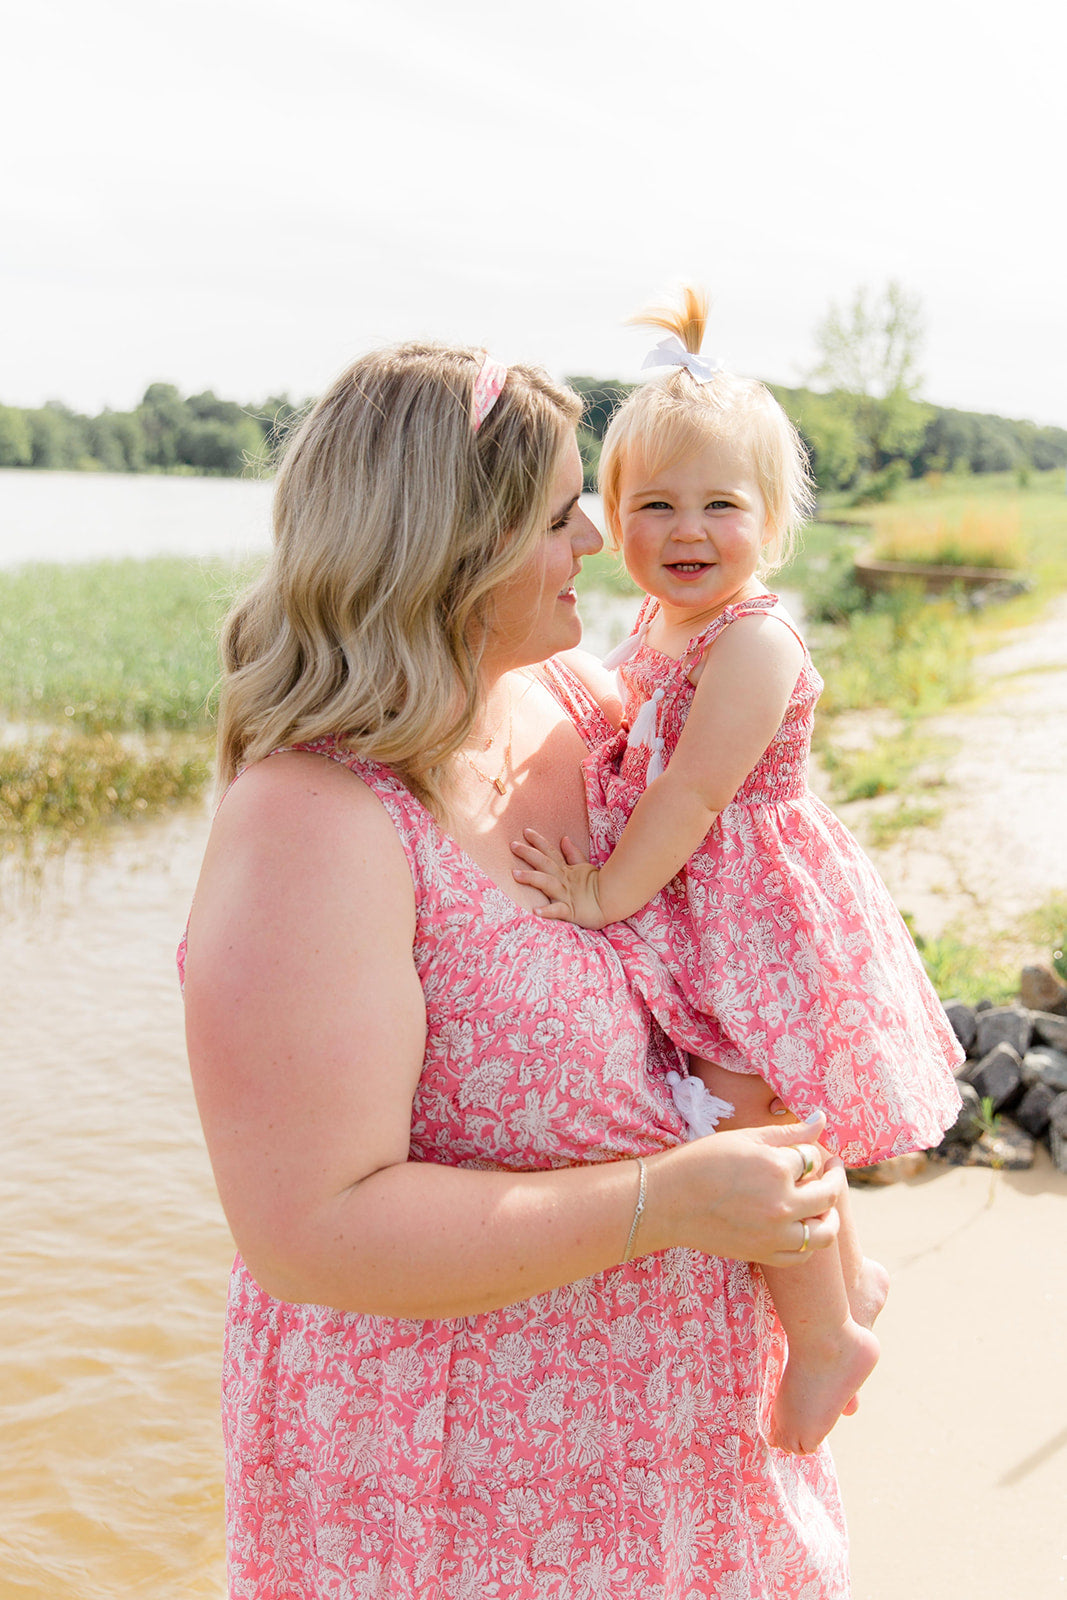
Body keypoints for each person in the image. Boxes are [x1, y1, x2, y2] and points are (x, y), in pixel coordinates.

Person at [181, 339, 854, 1599]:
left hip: (687, 1472)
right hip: (462, 1504)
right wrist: (667, 1200)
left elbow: (723, 943)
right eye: (557, 516)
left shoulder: (567, 692)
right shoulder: (313, 821)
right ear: (453, 545)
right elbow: (310, 1231)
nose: (598, 542)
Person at [512, 288, 964, 1457]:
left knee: (740, 1106)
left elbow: (692, 794)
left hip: (748, 905)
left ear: (771, 520)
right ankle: (849, 1282)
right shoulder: (655, 622)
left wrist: (606, 894)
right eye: (653, 504)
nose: (686, 528)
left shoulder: (752, 639)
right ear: (610, 516)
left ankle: (822, 1333)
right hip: (699, 903)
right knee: (764, 1101)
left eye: (721, 504)